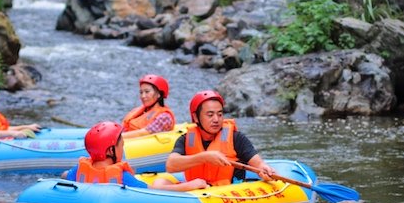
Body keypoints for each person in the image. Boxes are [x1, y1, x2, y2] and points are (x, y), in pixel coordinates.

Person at [164, 89, 277, 188]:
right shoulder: (186, 139)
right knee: (159, 182)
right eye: (210, 115)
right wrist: (204, 157)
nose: (216, 119)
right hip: (198, 192)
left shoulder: (236, 138)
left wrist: (264, 169)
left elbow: (258, 164)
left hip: (228, 194)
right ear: (196, 117)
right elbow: (171, 165)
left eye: (219, 114)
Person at [68, 121, 203, 191]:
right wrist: (189, 186)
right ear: (110, 151)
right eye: (120, 142)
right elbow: (153, 191)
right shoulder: (121, 177)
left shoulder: (78, 170)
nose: (124, 143)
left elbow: (65, 176)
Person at [120, 74, 176, 139]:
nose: (143, 96)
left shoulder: (164, 117)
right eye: (141, 92)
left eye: (147, 92)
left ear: (159, 94)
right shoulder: (139, 110)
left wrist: (117, 138)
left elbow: (143, 134)